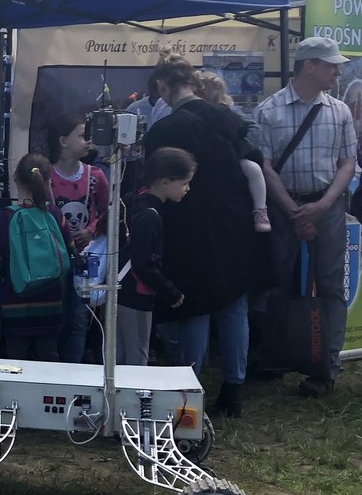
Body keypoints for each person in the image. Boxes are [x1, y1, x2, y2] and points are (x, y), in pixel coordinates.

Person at [143, 58, 259, 416]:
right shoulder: (228, 117)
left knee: (193, 305)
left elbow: (152, 181)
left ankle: (189, 390)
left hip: (187, 225)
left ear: (163, 86)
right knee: (233, 303)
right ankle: (233, 390)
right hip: (233, 221)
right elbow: (254, 160)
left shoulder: (164, 128)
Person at [255, 37, 359, 399]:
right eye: (331, 65)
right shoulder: (269, 111)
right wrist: (292, 210)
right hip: (284, 207)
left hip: (326, 206)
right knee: (274, 282)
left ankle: (326, 367)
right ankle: (273, 358)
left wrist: (323, 205)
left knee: (331, 286)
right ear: (309, 65)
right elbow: (264, 166)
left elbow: (348, 163)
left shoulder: (339, 110)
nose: (336, 72)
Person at [0, 153, 72, 360]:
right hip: (51, 305)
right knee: (49, 357)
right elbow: (70, 250)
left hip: (15, 305)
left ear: (15, 178)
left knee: (16, 360)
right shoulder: (55, 214)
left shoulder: (5, 217)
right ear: (48, 181)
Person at [116, 147, 194, 365]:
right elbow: (142, 263)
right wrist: (170, 292)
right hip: (136, 294)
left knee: (118, 354)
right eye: (184, 182)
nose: (188, 188)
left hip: (120, 290)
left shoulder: (132, 202)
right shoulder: (150, 216)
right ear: (165, 182)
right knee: (138, 357)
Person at [47, 113, 110, 362]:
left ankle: (74, 366)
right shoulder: (46, 176)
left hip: (87, 254)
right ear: (63, 141)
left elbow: (108, 210)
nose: (89, 141)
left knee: (81, 315)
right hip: (56, 256)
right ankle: (56, 365)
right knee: (58, 311)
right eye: (83, 135)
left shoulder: (96, 175)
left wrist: (91, 230)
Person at [195, 71, 271, 233]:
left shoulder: (230, 110)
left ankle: (260, 210)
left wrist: (236, 151)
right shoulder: (197, 113)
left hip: (232, 155)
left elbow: (254, 128)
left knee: (254, 169)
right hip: (208, 157)